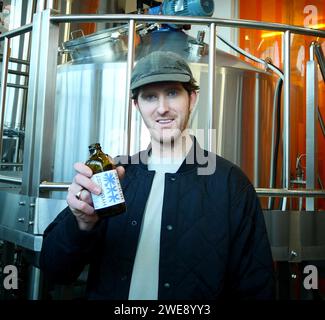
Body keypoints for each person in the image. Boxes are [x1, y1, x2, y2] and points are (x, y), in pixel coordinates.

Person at [39, 51, 275, 300]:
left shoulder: (230, 182)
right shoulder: (113, 176)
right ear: (137, 105)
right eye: (150, 97)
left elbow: (257, 286)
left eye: (172, 93)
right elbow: (56, 271)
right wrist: (80, 223)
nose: (162, 108)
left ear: (192, 98)